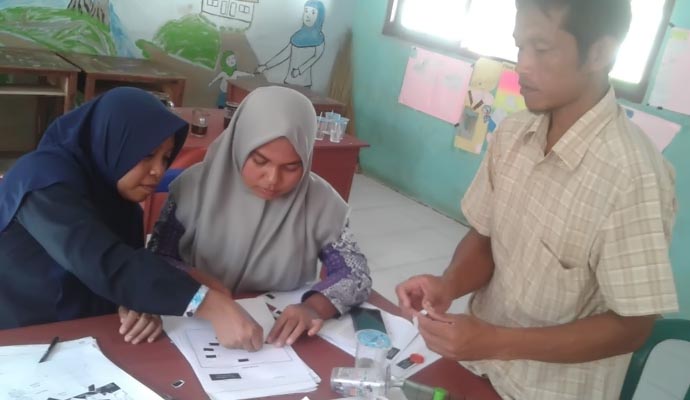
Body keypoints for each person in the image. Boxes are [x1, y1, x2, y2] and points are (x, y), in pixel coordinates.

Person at [396, 1, 678, 399]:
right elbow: (486, 238)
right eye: (520, 46)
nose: (522, 66)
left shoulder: (633, 177)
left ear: (599, 53)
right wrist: (448, 285)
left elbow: (632, 326)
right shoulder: (513, 134)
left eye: (542, 49)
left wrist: (496, 341)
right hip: (477, 367)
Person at [0, 87, 263, 351]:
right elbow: (102, 261)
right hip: (24, 334)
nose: (158, 170)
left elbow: (130, 270)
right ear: (112, 142)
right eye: (147, 154)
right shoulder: (42, 182)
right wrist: (206, 303)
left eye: (166, 158)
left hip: (92, 333)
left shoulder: (121, 202)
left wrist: (139, 306)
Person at [148, 86, 371, 347]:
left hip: (276, 334)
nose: (272, 179)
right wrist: (204, 291)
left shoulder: (320, 202)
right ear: (239, 145)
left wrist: (314, 308)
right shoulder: (193, 188)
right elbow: (157, 259)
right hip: (194, 320)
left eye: (291, 167)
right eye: (260, 161)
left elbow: (355, 274)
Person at [256, 0, 326, 87]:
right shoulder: (296, 36)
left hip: (304, 84)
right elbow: (284, 54)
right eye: (306, 11)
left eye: (313, 12)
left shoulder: (319, 39)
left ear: (319, 16)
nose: (308, 15)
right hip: (288, 81)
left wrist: (300, 70)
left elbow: (315, 57)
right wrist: (266, 66)